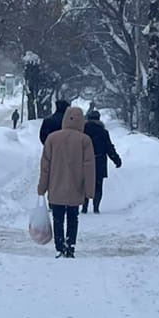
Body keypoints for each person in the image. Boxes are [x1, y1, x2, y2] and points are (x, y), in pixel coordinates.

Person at [37, 105, 96, 258]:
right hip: (76, 187)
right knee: (72, 218)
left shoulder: (52, 138)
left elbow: (45, 166)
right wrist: (90, 191)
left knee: (57, 218)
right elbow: (89, 167)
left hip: (56, 186)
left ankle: (59, 246)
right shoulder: (85, 140)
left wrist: (42, 187)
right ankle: (70, 247)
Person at [81, 107, 123, 214]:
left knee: (85, 184)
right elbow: (109, 147)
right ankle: (96, 207)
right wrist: (116, 159)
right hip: (99, 161)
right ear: (99, 119)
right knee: (98, 185)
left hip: (85, 161)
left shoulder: (82, 131)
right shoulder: (103, 132)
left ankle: (84, 207)